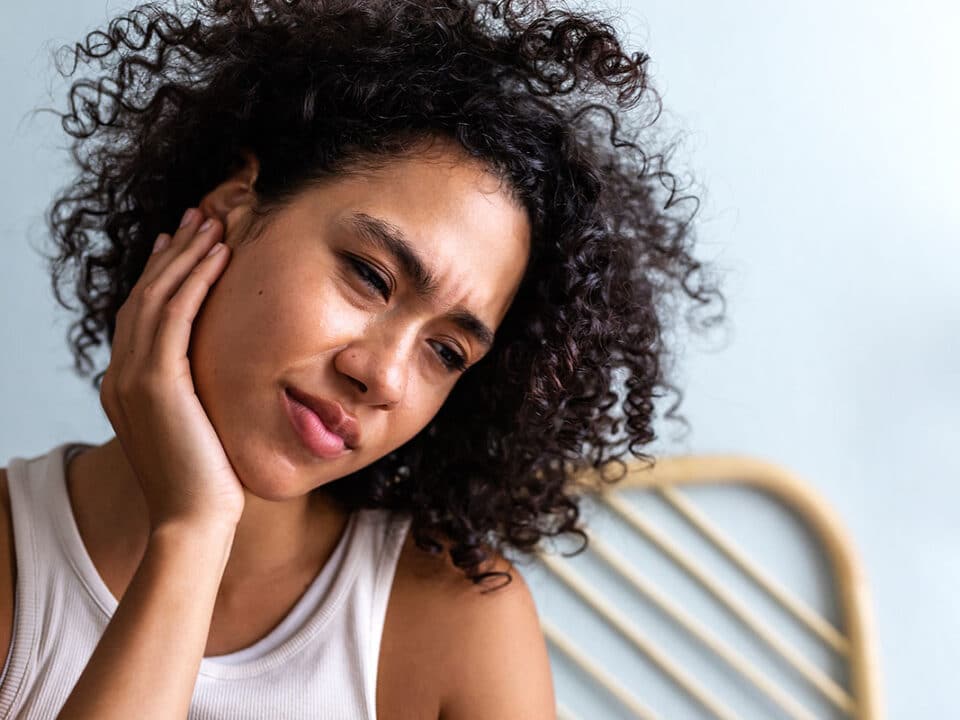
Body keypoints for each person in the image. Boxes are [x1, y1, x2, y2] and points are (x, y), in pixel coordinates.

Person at [0, 0, 723, 717]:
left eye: (445, 351)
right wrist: (191, 534)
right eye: (370, 276)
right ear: (231, 206)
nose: (381, 376)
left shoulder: (458, 623)